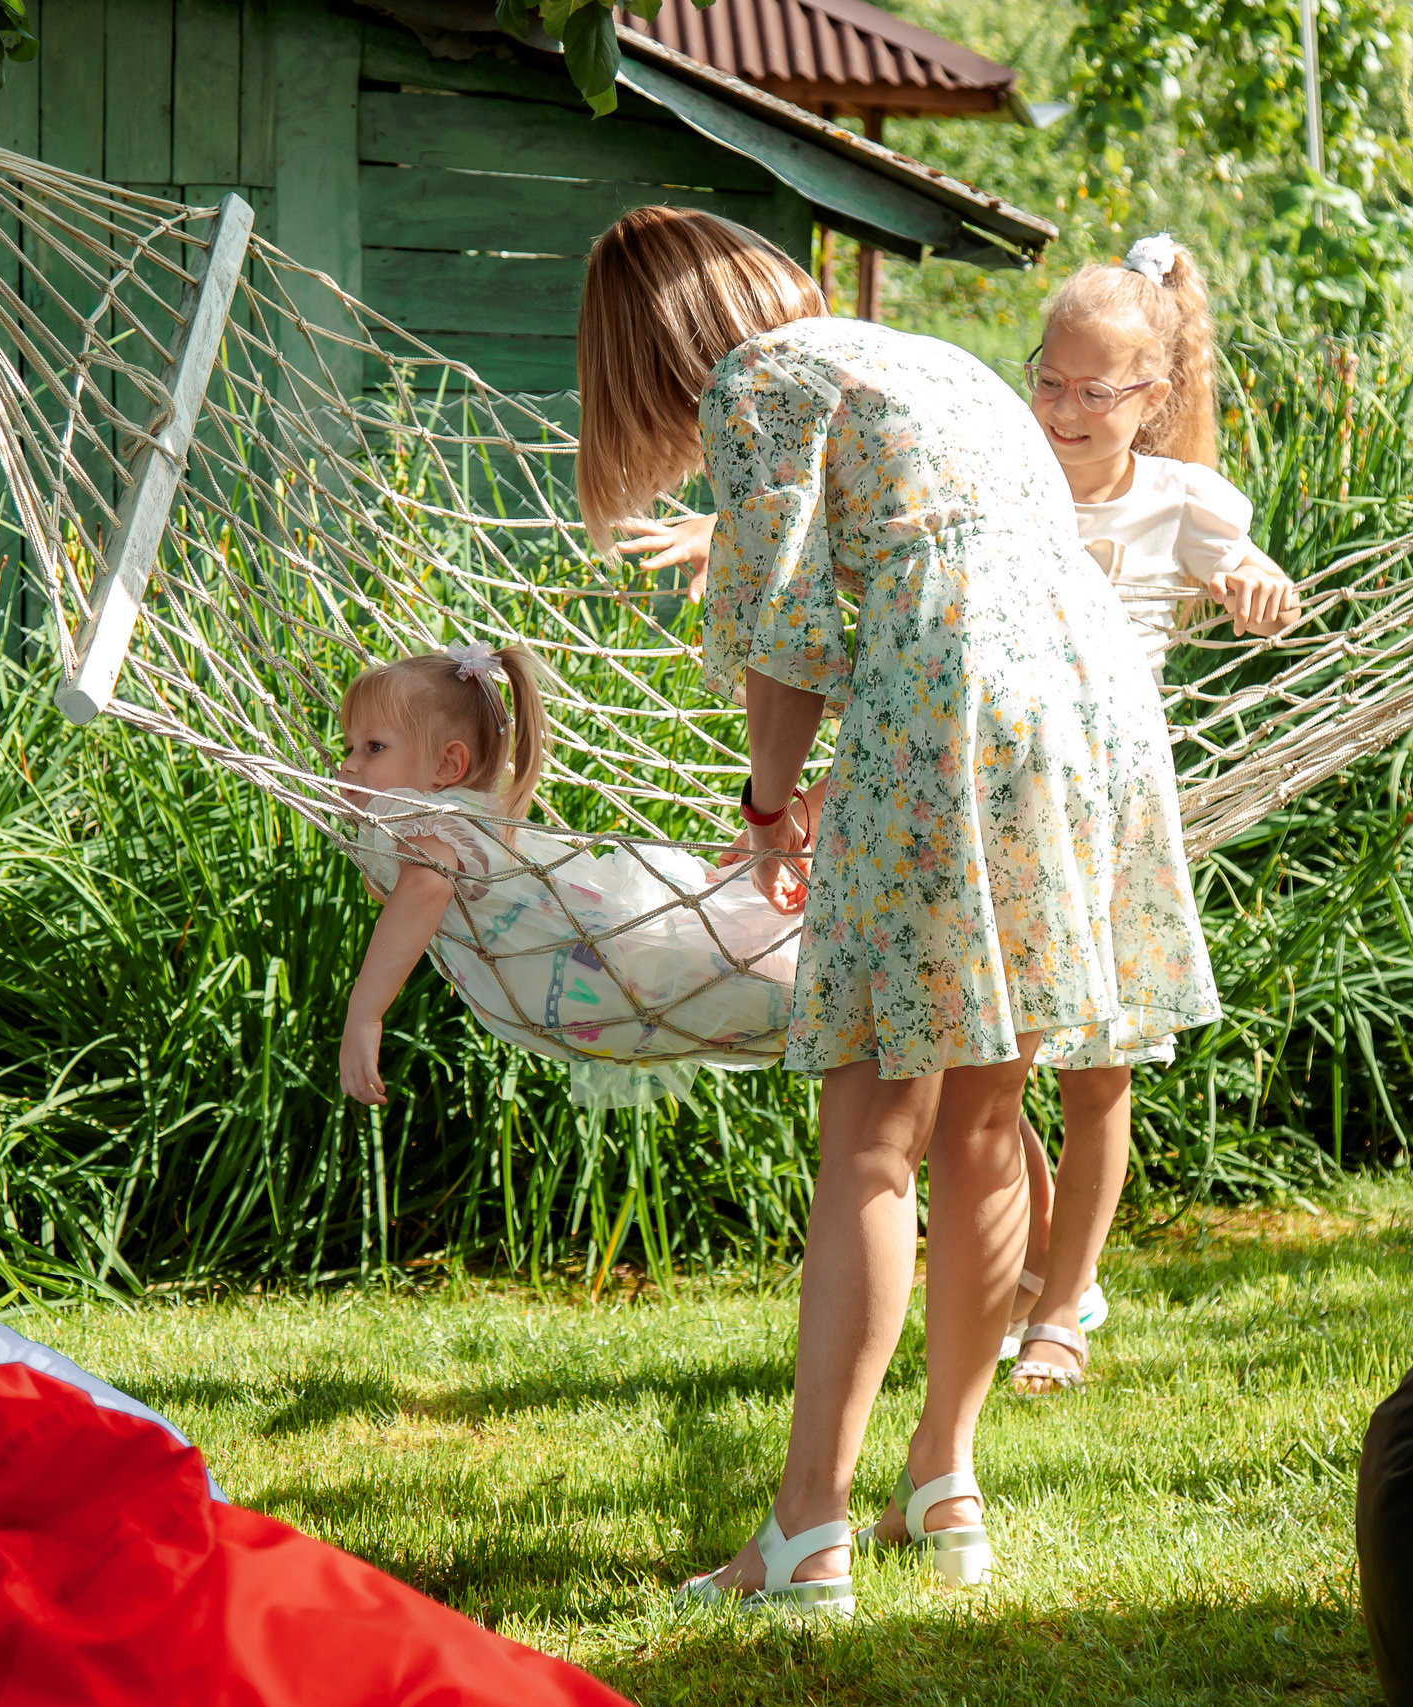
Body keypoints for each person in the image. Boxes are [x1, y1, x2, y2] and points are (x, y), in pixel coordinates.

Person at [579, 206, 1220, 1614]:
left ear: (652, 347)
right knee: (985, 1120)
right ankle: (944, 1480)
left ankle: (806, 1533)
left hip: (957, 711)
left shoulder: (754, 381)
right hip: (1092, 711)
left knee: (873, 1139)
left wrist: (767, 806)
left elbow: (785, 635)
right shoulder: (928, 359)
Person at [1000, 234, 1300, 1395]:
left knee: (1096, 1071)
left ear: (1152, 398)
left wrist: (1259, 592)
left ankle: (1060, 1308)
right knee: (975, 1061)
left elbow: (1256, 586)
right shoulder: (1000, 469)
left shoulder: (1181, 502)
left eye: (1095, 392)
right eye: (1050, 381)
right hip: (1000, 792)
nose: (1064, 410)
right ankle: (1041, 1262)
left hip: (1112, 808)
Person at [335, 641, 805, 1110]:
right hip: (602, 970)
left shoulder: (429, 825)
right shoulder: (465, 819)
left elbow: (424, 888)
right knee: (765, 981)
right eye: (349, 747)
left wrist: (364, 1014)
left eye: (374, 747)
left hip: (604, 971)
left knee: (767, 981)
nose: (348, 765)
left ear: (447, 765)